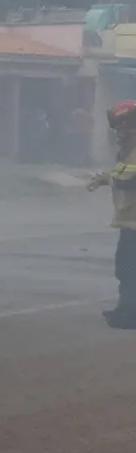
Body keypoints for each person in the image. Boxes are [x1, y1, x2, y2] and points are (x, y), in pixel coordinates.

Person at [87, 99, 136, 329]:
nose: (118, 133)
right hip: (130, 222)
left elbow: (129, 177)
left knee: (129, 268)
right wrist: (102, 178)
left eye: (121, 127)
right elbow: (122, 172)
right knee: (125, 267)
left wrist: (111, 177)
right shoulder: (128, 151)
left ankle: (129, 314)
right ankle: (125, 309)